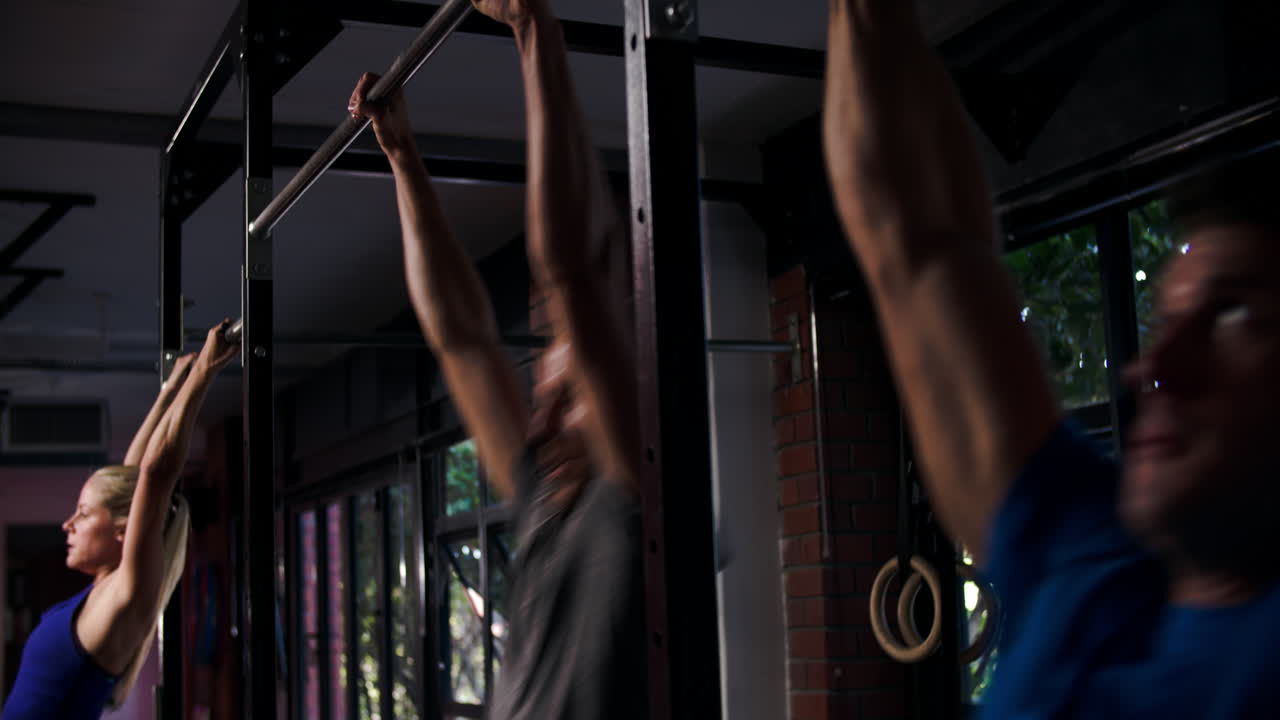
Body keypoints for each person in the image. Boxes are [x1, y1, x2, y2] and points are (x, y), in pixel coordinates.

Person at [821, 1, 1280, 716]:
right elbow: (916, 240)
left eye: (1236, 315)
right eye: (1166, 319)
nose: (1153, 369)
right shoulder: (1094, 559)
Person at [348, 0, 646, 717]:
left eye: (566, 397)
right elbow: (462, 339)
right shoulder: (546, 498)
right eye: (542, 398)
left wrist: (533, 30)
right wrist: (402, 157)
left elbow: (573, 269)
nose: (539, 424)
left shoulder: (632, 497)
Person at [3, 322, 238, 719]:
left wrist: (205, 372)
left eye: (82, 513)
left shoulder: (127, 594)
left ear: (122, 529)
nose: (68, 524)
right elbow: (133, 477)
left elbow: (155, 474)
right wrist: (168, 392)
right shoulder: (105, 589)